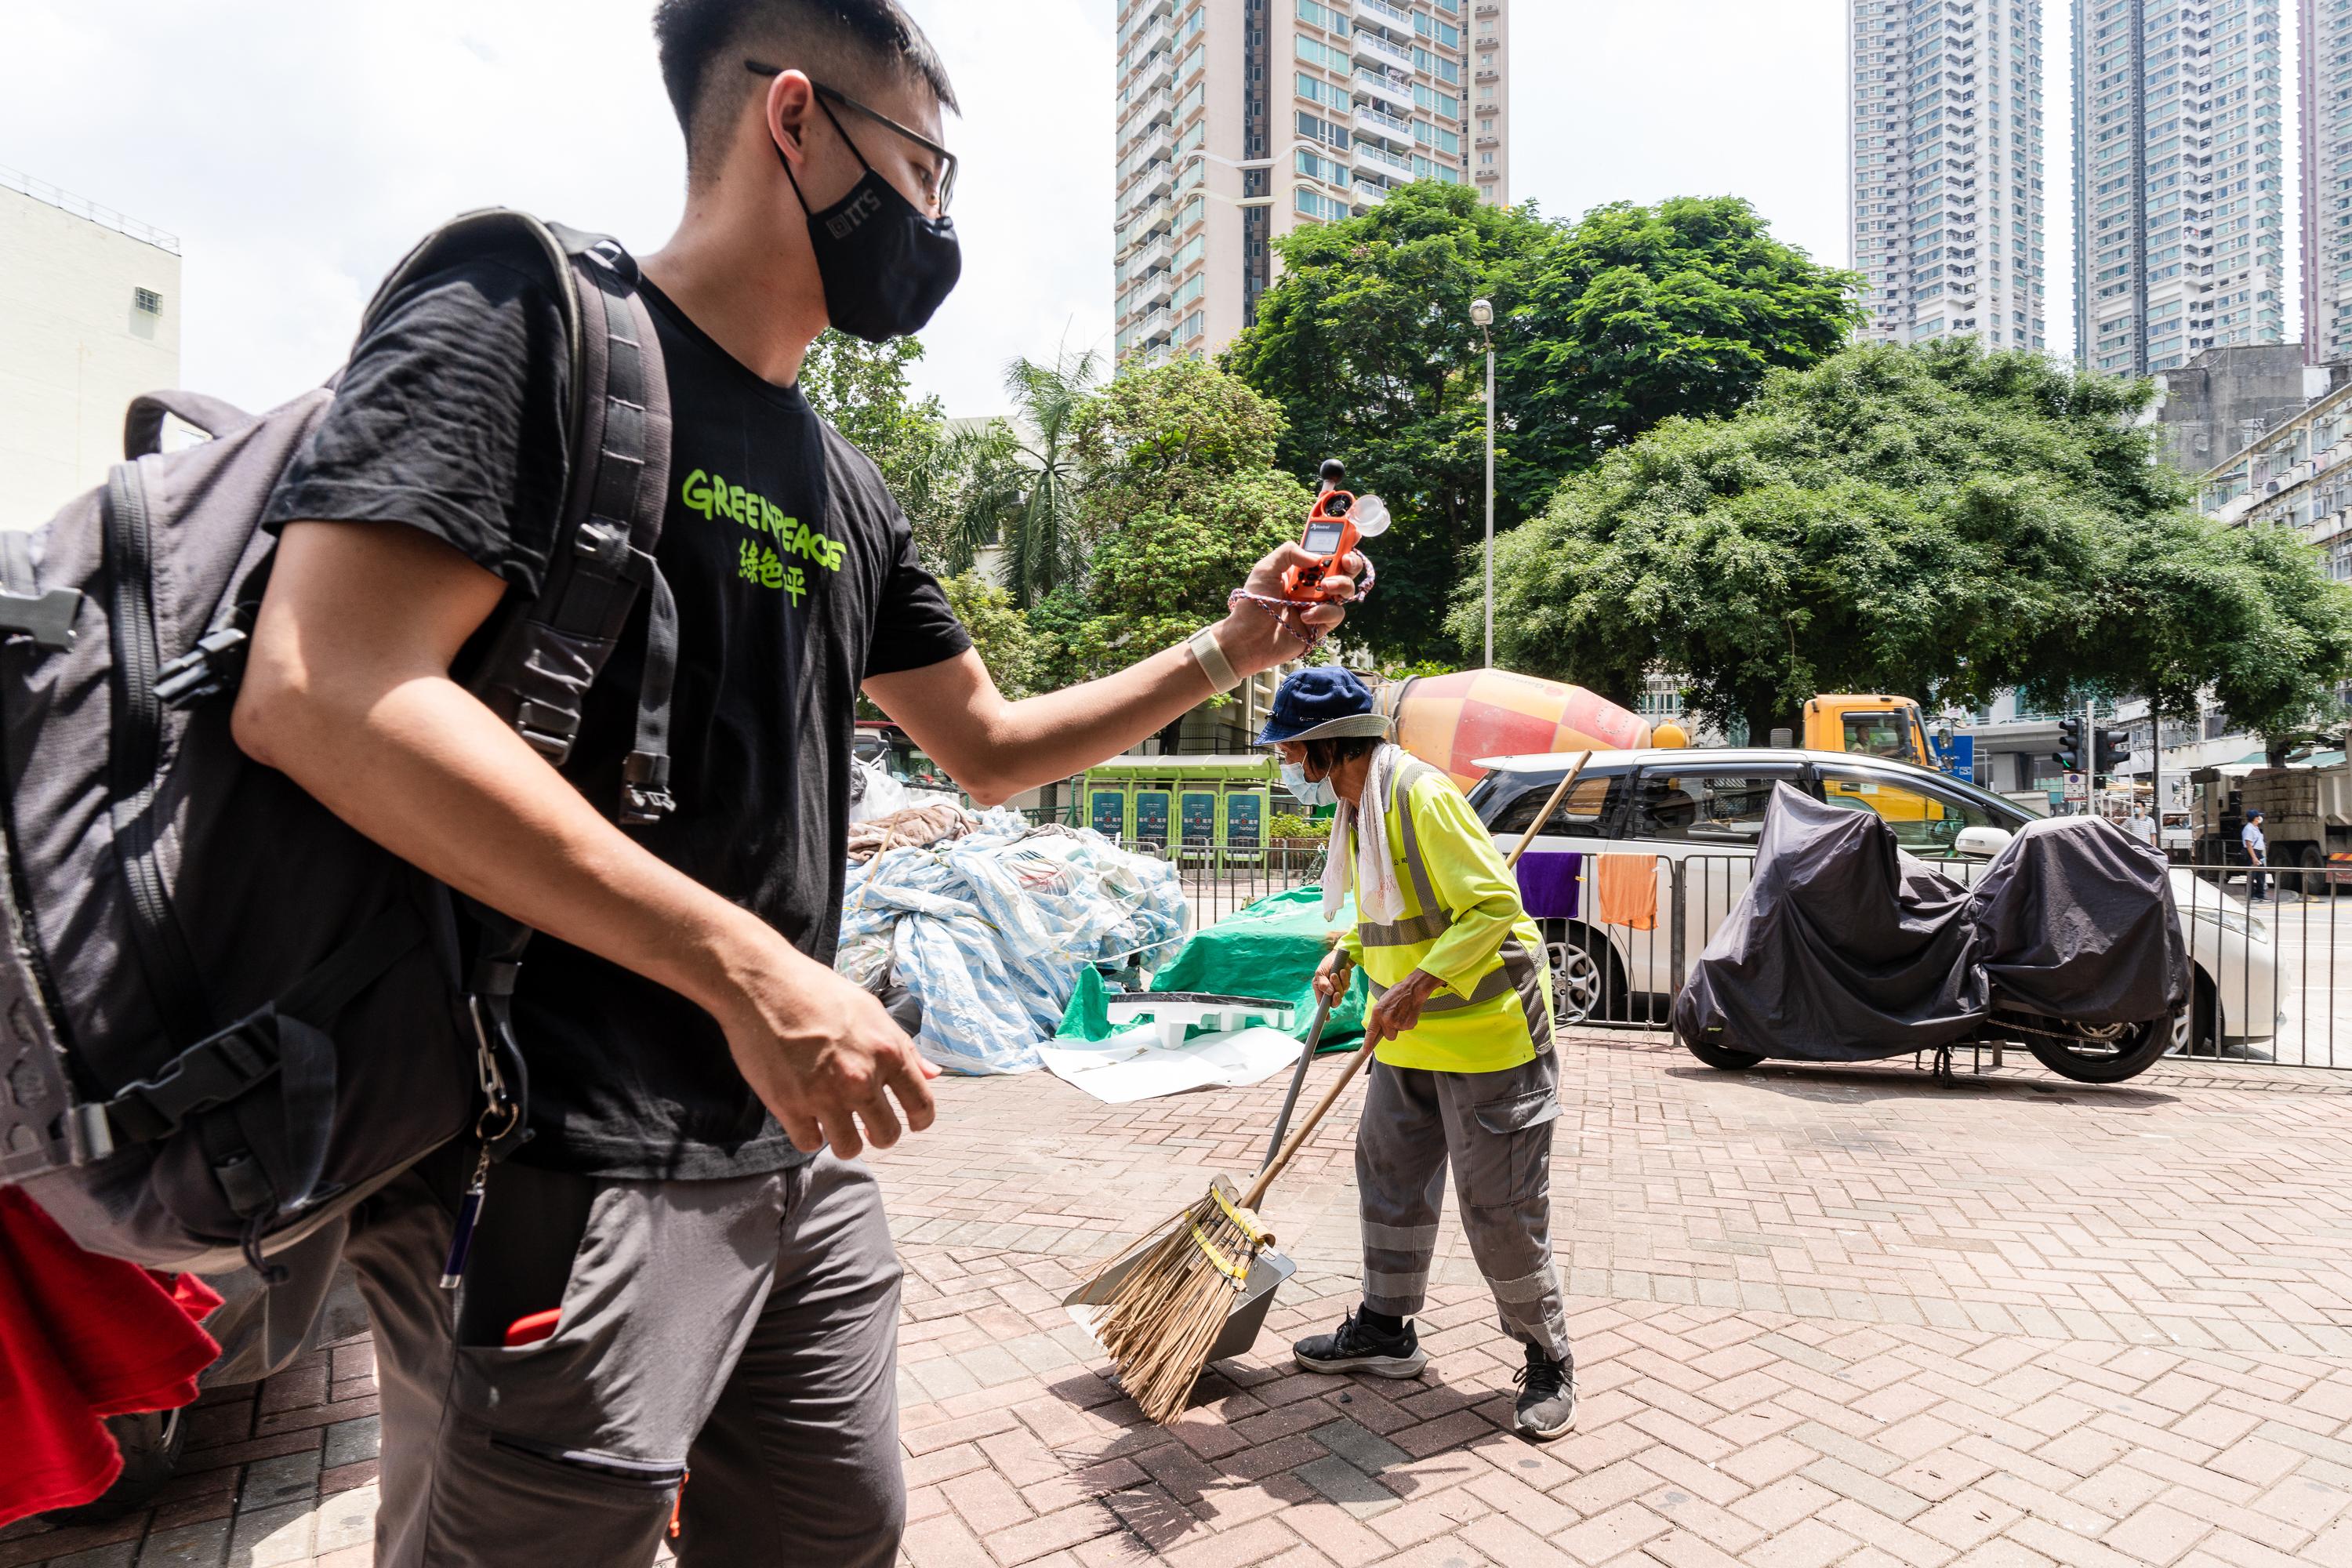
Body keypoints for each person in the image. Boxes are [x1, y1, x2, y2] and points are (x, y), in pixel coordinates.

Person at [229, 4, 1363, 1563]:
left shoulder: (843, 479)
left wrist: (1225, 653)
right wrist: (749, 963)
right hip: (546, 1146)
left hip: (788, 1150)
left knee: (834, 1528)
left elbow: (989, 743)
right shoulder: (531, 316)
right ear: (793, 122)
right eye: (925, 164)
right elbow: (326, 685)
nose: (939, 219)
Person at [1263, 668, 1577, 1443]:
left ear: (1328, 748)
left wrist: (1422, 983)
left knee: (1498, 1206)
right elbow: (1402, 911)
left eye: (1295, 751)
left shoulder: (1420, 796)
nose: (1291, 768)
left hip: (1488, 1033)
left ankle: (1548, 1354)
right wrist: (1349, 954)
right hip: (1410, 1034)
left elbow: (1492, 905)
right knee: (1391, 1176)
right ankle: (1385, 1327)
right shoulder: (1361, 806)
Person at [2244, 808, 2269, 901]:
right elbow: (2248, 844)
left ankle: (2260, 894)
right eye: (2258, 816)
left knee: (2261, 875)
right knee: (2252, 875)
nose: (2260, 818)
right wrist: (2254, 858)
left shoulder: (2255, 828)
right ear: (2255, 818)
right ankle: (2250, 895)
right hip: (2253, 853)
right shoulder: (2249, 829)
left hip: (2258, 853)